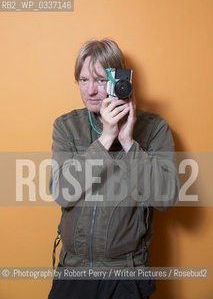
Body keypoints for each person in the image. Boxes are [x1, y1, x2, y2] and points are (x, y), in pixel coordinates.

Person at [48, 39, 179, 299]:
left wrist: (128, 142)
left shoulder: (153, 129)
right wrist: (106, 138)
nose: (91, 91)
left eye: (99, 80)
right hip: (73, 271)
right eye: (84, 80)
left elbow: (167, 197)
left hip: (126, 275)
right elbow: (61, 191)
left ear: (117, 79)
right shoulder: (66, 126)